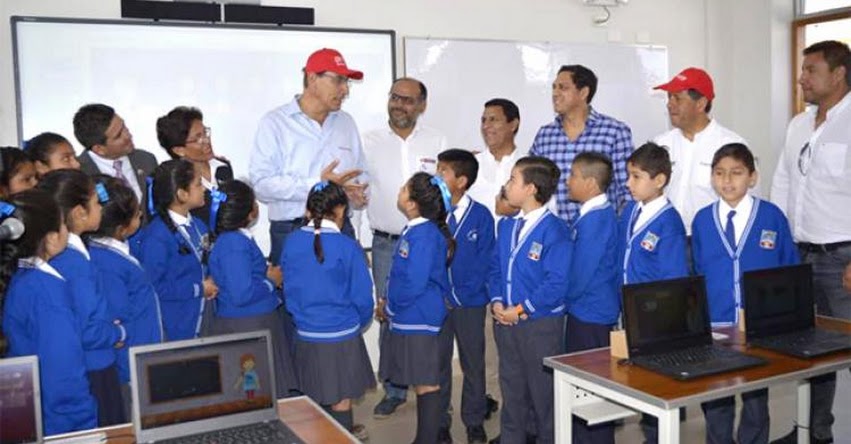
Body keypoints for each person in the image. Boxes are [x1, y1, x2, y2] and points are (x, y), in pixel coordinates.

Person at [770, 40, 851, 444]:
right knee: (810, 350)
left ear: (838, 75)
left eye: (811, 70)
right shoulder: (798, 124)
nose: (801, 78)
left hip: (843, 258)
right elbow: (783, 180)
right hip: (799, 254)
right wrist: (774, 242)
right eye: (802, 70)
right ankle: (814, 433)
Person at [692, 143, 798, 444]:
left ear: (752, 177)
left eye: (736, 173)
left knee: (755, 398)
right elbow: (697, 271)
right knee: (716, 398)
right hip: (717, 324)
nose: (727, 181)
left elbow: (788, 268)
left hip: (758, 325)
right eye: (720, 173)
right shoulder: (702, 220)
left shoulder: (772, 216)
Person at [363, 77, 447, 418]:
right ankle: (394, 387)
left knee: (425, 312)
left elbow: (444, 193)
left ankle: (430, 386)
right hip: (386, 242)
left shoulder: (437, 140)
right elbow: (359, 195)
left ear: (422, 105)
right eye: (395, 98)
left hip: (427, 243)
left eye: (409, 100)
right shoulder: (368, 141)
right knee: (388, 313)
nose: (400, 105)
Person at [250, 48, 368, 264]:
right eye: (339, 81)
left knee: (344, 295)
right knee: (294, 296)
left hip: (341, 227)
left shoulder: (346, 123)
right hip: (292, 228)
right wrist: (318, 185)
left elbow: (361, 173)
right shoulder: (275, 123)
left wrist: (357, 193)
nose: (345, 90)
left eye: (347, 83)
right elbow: (262, 185)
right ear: (312, 78)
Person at [282, 181, 375, 439]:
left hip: (306, 336)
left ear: (308, 210)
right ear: (341, 210)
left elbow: (288, 289)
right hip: (342, 337)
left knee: (312, 401)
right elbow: (362, 298)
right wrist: (356, 322)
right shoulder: (348, 247)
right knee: (341, 402)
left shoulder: (291, 242)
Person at [1, 189, 98, 435]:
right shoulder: (48, 293)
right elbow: (64, 379)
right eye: (64, 224)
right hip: (57, 424)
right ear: (52, 238)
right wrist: (84, 430)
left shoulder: (21, 279)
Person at [489, 156, 571, 444]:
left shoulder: (556, 230)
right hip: (506, 323)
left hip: (539, 326)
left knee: (543, 396)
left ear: (531, 189)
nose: (506, 185)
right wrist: (498, 302)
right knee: (512, 393)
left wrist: (522, 310)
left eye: (513, 180)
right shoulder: (508, 226)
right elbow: (496, 269)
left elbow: (556, 284)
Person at [38, 169, 127, 426]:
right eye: (97, 203)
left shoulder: (69, 255)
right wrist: (118, 333)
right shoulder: (73, 264)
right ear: (79, 213)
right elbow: (86, 329)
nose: (101, 209)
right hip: (94, 368)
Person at [619, 142, 689, 443]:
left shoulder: (669, 223)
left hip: (655, 318)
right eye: (628, 175)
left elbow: (674, 278)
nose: (627, 183)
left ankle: (658, 436)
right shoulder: (632, 210)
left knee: (659, 384)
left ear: (659, 181)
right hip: (630, 310)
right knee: (642, 381)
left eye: (636, 176)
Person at [378, 172, 455, 444]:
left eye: (403, 188)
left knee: (427, 382)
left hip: (419, 317)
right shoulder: (415, 229)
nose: (399, 190)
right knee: (422, 380)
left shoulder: (424, 235)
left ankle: (427, 439)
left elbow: (414, 281)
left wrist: (392, 306)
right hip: (410, 315)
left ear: (412, 203)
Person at [208, 180, 297, 397]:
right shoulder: (233, 244)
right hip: (248, 323)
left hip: (254, 320)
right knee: (258, 393)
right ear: (250, 213)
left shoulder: (235, 240)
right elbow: (241, 293)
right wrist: (271, 281)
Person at [87, 176, 163, 418]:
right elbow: (118, 317)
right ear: (122, 227)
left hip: (143, 358)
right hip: (130, 365)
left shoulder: (118, 251)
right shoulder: (107, 263)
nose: (142, 215)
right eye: (137, 213)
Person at [434, 149, 495, 444]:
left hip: (470, 304)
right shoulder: (432, 212)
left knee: (473, 363)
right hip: (438, 304)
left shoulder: (481, 215)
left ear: (461, 180)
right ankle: (440, 421)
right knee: (439, 363)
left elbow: (485, 261)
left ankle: (474, 420)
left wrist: (461, 294)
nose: (436, 176)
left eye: (442, 171)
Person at [529, 65, 633, 224]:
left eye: (563, 87)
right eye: (554, 87)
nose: (555, 93)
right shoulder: (545, 135)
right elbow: (532, 186)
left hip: (599, 232)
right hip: (554, 235)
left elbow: (627, 191)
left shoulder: (614, 132)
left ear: (583, 93)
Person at [563, 152, 619, 444]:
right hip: (588, 310)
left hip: (590, 313)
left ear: (592, 183)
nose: (567, 181)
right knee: (584, 388)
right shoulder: (590, 213)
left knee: (592, 390)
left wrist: (561, 299)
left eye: (573, 175)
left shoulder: (596, 220)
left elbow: (581, 274)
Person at [652, 67, 746, 233]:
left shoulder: (731, 145)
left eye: (677, 98)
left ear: (700, 104)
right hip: (667, 239)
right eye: (669, 97)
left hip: (713, 239)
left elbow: (747, 199)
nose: (669, 104)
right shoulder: (660, 144)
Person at [137, 160, 217, 341]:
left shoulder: (199, 225)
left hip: (207, 316)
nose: (204, 188)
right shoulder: (156, 237)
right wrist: (198, 289)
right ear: (182, 194)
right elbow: (154, 287)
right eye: (198, 184)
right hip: (178, 324)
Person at [156, 106, 233, 227]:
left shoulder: (223, 167)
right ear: (179, 150)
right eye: (198, 138)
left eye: (205, 133)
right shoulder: (177, 183)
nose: (207, 141)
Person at [73, 103, 158, 206]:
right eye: (118, 136)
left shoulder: (146, 160)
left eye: (124, 127)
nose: (128, 135)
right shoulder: (79, 177)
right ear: (99, 149)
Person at [469, 98, 524, 218]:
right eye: (483, 121)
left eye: (493, 120)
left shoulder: (529, 167)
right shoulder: (470, 165)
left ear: (513, 125)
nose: (486, 126)